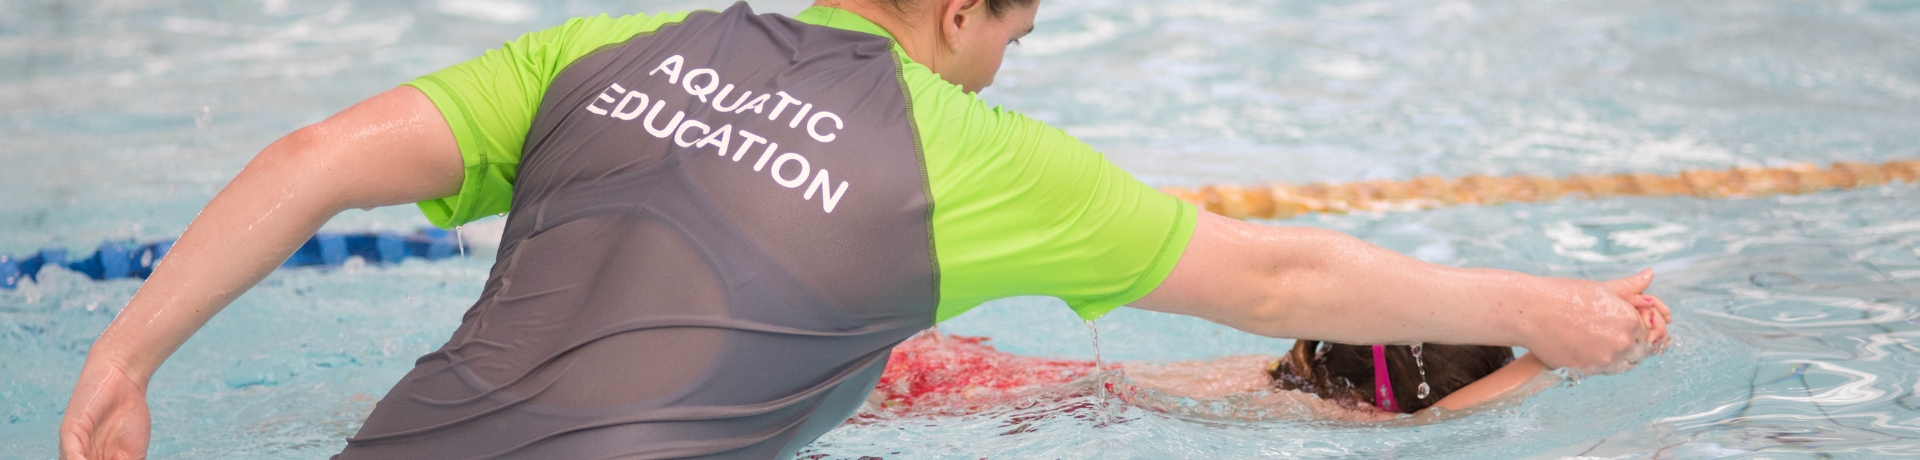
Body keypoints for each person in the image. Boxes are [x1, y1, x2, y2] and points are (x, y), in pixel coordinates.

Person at [59, 0, 1671, 458]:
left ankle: (1280, 405)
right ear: (967, 14)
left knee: (905, 369)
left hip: (394, 443)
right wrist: (1554, 302)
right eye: (1019, 32)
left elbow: (312, 152)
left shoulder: (611, 49)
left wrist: (128, 360)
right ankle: (1309, 409)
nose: (1012, 60)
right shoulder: (968, 150)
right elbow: (1275, 271)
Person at [868, 305, 1670, 419]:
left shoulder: (1280, 371)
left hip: (958, 367)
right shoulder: (1317, 410)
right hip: (983, 398)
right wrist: (1553, 362)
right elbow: (1442, 417)